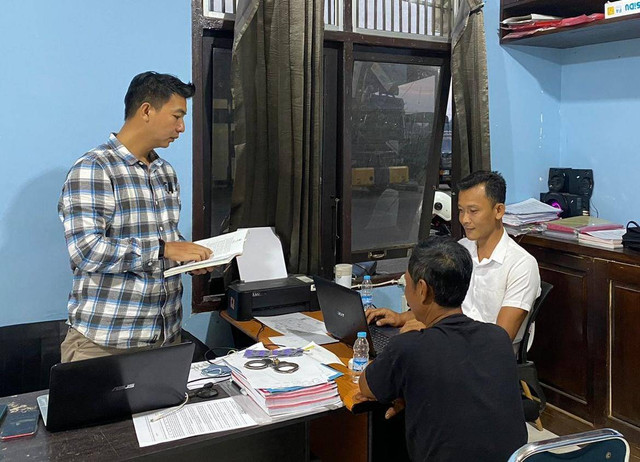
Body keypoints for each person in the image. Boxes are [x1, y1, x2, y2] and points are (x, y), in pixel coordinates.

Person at [58, 72, 213, 363]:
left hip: (166, 338)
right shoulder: (94, 169)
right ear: (146, 110)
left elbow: (167, 238)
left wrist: (187, 257)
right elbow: (86, 251)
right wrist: (164, 249)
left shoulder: (164, 171)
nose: (181, 127)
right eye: (177, 116)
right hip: (106, 344)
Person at [358, 237, 527, 461]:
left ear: (422, 289)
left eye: (407, 283)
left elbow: (366, 386)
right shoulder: (498, 338)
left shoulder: (409, 346)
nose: (407, 292)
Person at [366, 170, 541, 342]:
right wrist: (400, 318)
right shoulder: (460, 250)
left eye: (473, 211)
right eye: (461, 210)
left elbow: (500, 339)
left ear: (499, 210)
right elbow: (441, 310)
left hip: (486, 360)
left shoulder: (521, 265)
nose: (464, 219)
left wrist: (435, 330)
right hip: (450, 344)